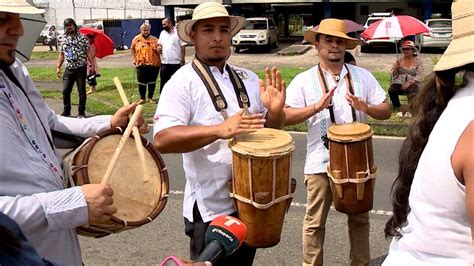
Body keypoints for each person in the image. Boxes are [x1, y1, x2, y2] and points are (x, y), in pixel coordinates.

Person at [0, 1, 148, 264]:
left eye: (17, 17)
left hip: (63, 249)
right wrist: (68, 205)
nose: (18, 29)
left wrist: (110, 123)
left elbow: (48, 124)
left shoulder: (13, 71)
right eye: (2, 19)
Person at [153, 2, 285, 265]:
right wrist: (219, 130)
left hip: (247, 200)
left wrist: (277, 112)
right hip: (210, 209)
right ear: (193, 36)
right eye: (208, 30)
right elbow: (162, 139)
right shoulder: (181, 82)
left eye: (224, 30)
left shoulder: (247, 77)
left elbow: (269, 129)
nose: (217, 37)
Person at [283, 19, 391, 266]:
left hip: (358, 162)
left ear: (346, 46)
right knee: (314, 222)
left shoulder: (363, 76)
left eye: (339, 41)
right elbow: (286, 116)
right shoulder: (303, 79)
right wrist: (314, 108)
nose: (334, 46)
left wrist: (367, 108)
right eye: (328, 40)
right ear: (317, 45)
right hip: (320, 160)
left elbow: (386, 110)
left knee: (360, 220)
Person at [383, 0, 473, 264]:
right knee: (394, 90)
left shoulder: (458, 104)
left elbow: (418, 76)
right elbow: (394, 78)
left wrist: (409, 78)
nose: (407, 50)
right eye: (406, 47)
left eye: (409, 47)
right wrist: (396, 72)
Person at [56, 18, 95, 118]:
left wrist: (92, 64)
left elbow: (88, 52)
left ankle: (81, 112)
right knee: (65, 90)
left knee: (81, 91)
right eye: (66, 25)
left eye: (70, 25)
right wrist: (58, 67)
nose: (68, 27)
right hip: (69, 69)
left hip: (80, 68)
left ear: (74, 26)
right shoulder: (63, 39)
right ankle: (66, 111)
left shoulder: (83, 38)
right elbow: (61, 54)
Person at [388, 40, 424, 118]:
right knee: (392, 90)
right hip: (399, 81)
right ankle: (399, 108)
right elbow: (393, 75)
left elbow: (420, 75)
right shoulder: (399, 61)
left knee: (412, 90)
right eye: (404, 49)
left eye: (408, 49)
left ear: (413, 50)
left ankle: (410, 110)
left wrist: (410, 83)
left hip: (413, 82)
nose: (405, 51)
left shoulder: (418, 61)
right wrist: (395, 68)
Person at [131, 23, 161, 104]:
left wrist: (159, 49)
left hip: (153, 64)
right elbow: (132, 49)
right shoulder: (136, 39)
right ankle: (142, 98)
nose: (145, 32)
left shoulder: (155, 39)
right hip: (141, 64)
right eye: (144, 30)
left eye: (147, 30)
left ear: (149, 30)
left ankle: (150, 98)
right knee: (141, 82)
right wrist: (134, 59)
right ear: (141, 30)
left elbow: (160, 49)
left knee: (152, 82)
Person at [158, 17, 186, 93]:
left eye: (164, 24)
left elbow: (182, 46)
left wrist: (182, 59)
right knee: (164, 81)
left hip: (176, 63)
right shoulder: (162, 33)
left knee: (177, 81)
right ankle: (163, 96)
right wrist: (159, 48)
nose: (163, 26)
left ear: (170, 23)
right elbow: (159, 45)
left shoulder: (178, 33)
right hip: (165, 62)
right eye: (162, 24)